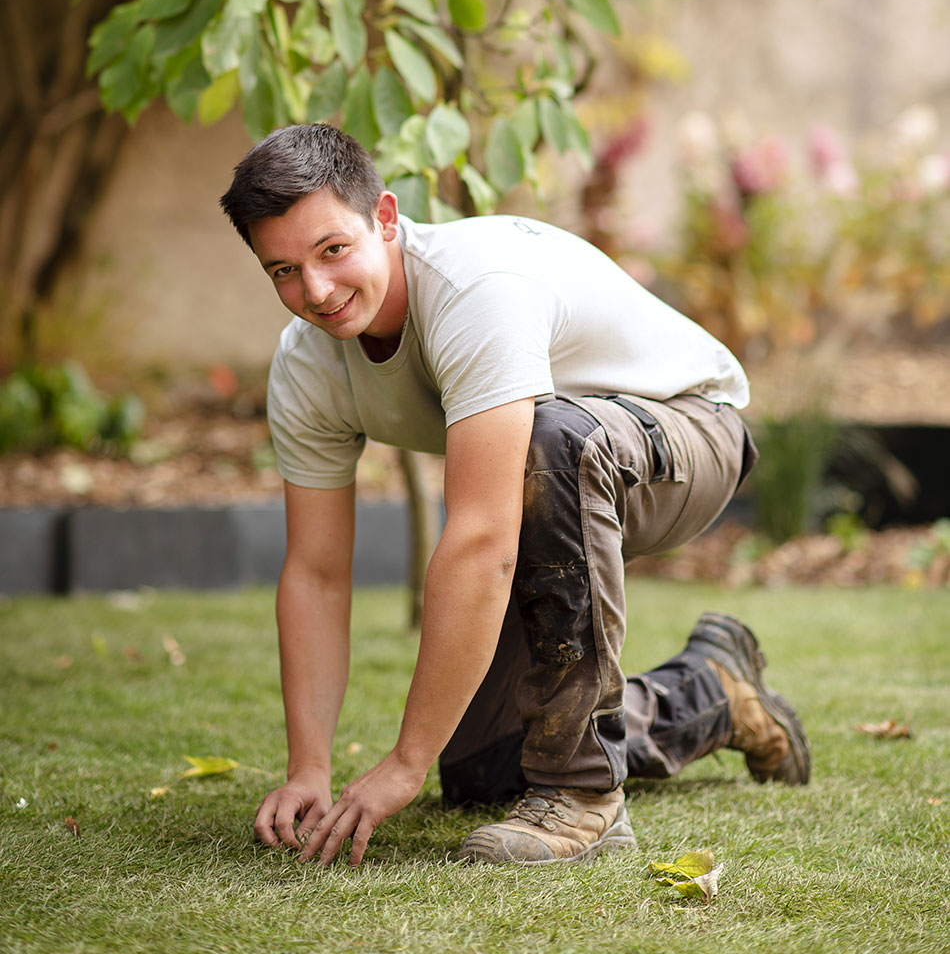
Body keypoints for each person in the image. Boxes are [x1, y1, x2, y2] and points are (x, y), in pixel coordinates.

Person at [219, 123, 810, 868]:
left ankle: (583, 796)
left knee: (548, 439)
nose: (317, 291)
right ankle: (712, 691)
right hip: (562, 477)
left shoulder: (475, 291)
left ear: (387, 218)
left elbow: (481, 541)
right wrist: (310, 767)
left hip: (690, 437)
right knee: (487, 770)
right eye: (284, 271)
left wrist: (401, 765)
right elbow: (316, 572)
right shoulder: (305, 367)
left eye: (333, 250)